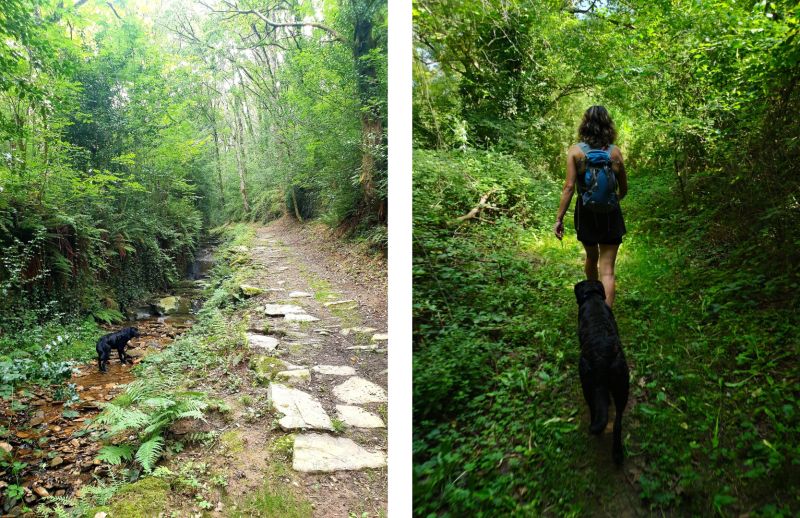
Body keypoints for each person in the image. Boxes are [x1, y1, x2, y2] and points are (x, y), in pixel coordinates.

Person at [553, 105, 628, 307]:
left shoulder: (576, 152)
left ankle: (593, 306)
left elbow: (569, 187)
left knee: (591, 256)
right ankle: (606, 317)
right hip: (611, 214)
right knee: (608, 270)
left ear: (585, 125)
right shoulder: (615, 153)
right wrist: (613, 200)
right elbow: (624, 188)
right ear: (608, 125)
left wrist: (559, 218)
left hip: (585, 213)